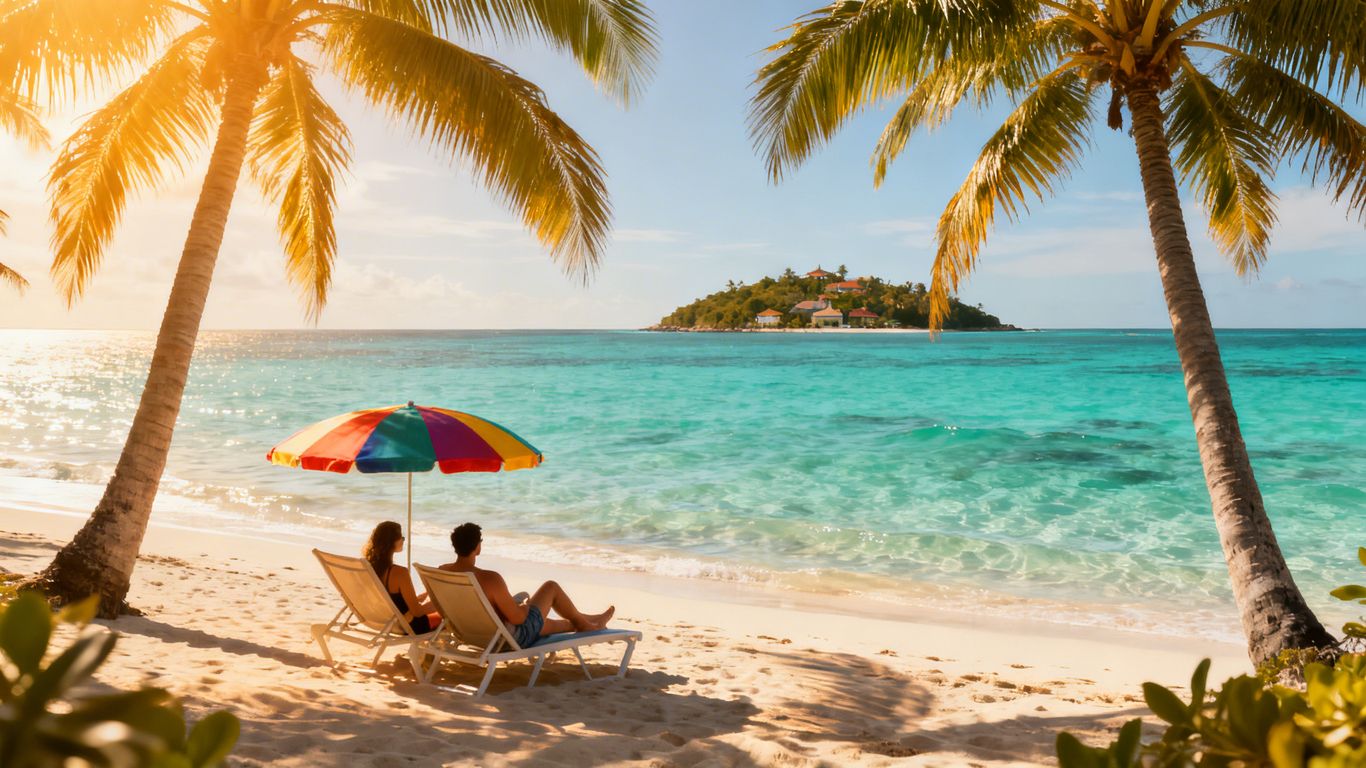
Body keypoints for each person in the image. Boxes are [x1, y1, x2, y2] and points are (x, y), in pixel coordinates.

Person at [441, 522, 614, 648]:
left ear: (455, 546)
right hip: (508, 639)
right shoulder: (490, 579)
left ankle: (590, 620)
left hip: (471, 634)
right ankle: (585, 624)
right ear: (478, 547)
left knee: (543, 622)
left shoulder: (442, 573)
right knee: (550, 587)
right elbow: (519, 619)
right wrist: (525, 606)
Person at [363, 521, 440, 634]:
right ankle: (429, 651)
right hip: (409, 625)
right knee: (445, 617)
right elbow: (417, 612)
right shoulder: (400, 572)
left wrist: (422, 597)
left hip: (382, 621)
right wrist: (440, 604)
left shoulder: (368, 568)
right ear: (392, 542)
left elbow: (392, 599)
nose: (403, 540)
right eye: (401, 537)